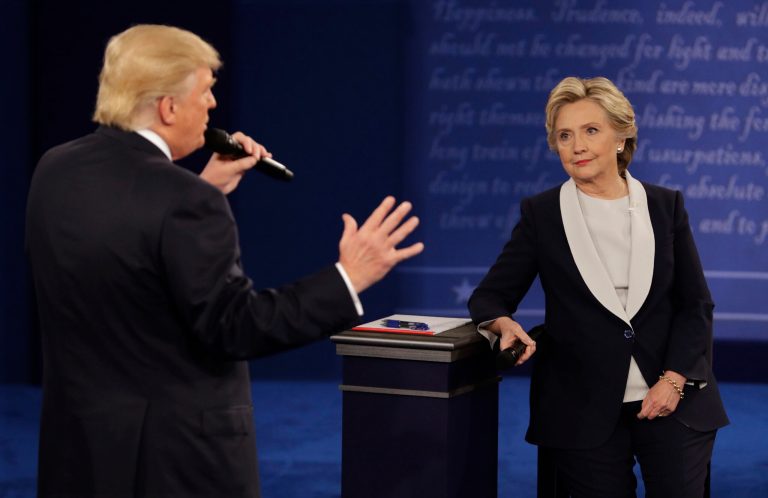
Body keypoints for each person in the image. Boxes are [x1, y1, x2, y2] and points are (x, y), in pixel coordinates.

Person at [25, 24, 424, 498]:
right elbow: (236, 327)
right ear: (169, 107)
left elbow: (122, 258)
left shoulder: (56, 169)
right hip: (174, 465)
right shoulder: (183, 201)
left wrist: (203, 186)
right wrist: (348, 277)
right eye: (206, 90)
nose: (213, 104)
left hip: (80, 455)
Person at [468, 76, 728, 497]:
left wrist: (674, 380)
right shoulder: (543, 214)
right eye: (564, 135)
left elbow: (695, 305)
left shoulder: (665, 206)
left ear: (622, 137)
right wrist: (501, 324)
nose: (577, 146)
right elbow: (490, 295)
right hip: (581, 409)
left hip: (673, 398)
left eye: (591, 131)